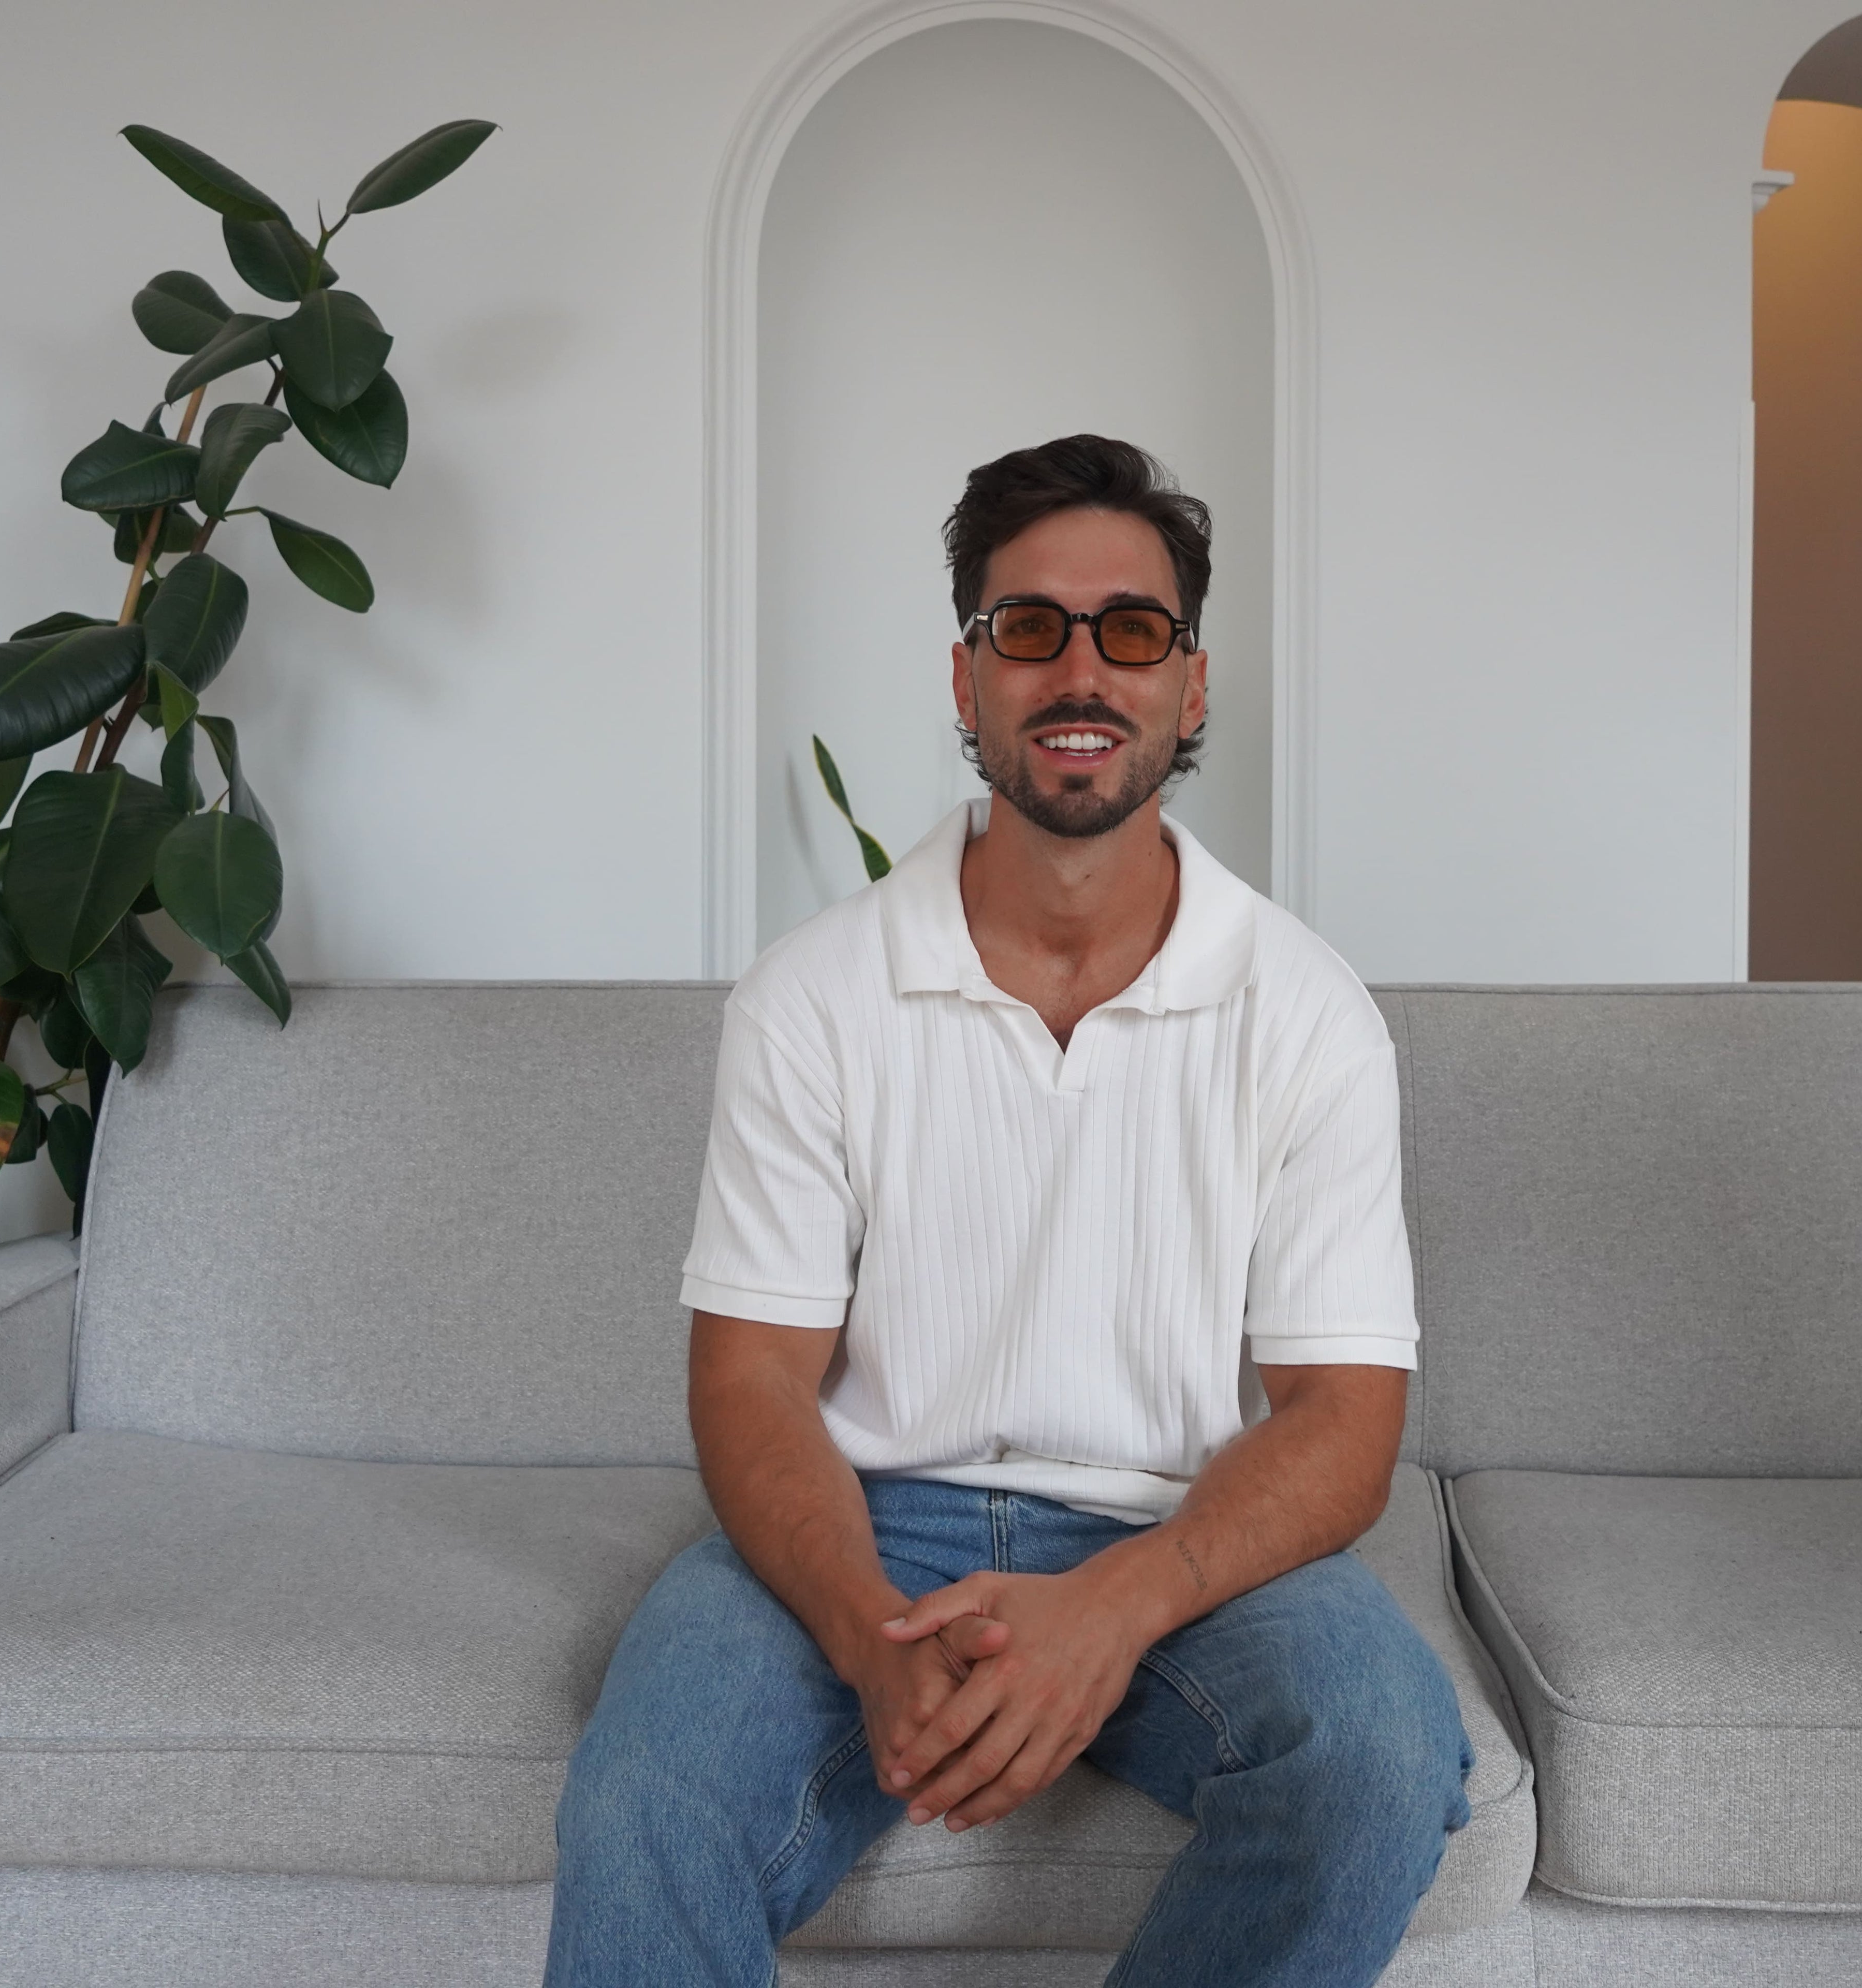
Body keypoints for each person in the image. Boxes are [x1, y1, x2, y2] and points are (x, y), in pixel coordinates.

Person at [547, 434, 1469, 1987]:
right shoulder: (811, 997)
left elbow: (1344, 1423)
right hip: (870, 1519)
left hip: (1173, 1530)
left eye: (1133, 630)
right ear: (968, 679)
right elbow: (751, 1379)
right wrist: (866, 1635)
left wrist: (1111, 1611)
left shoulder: (1310, 1014)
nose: (1080, 671)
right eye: (1030, 628)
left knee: (1378, 1752)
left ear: (1191, 684)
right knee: (645, 1800)